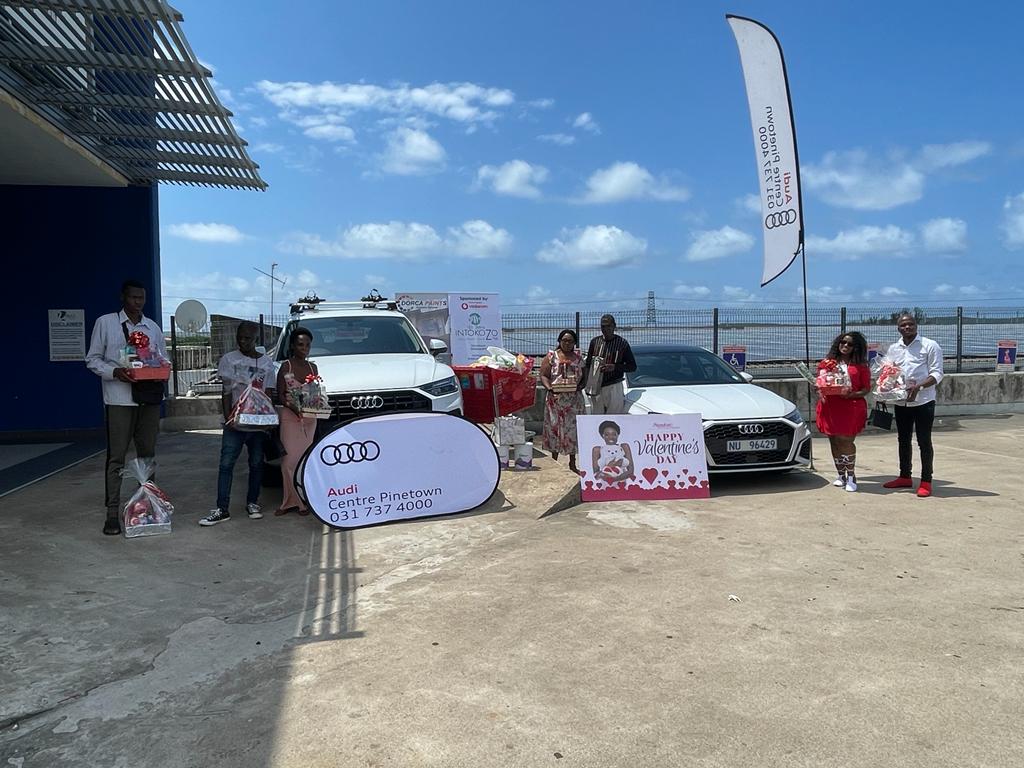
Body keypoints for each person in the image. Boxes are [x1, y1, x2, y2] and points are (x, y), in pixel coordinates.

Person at [85, 279, 167, 535]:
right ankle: (112, 512)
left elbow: (163, 359)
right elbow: (92, 359)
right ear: (123, 297)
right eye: (133, 297)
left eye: (141, 298)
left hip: (148, 400)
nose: (138, 302)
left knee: (147, 454)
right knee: (117, 457)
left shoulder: (152, 327)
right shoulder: (106, 323)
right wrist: (115, 372)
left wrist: (157, 369)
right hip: (119, 399)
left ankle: (148, 507)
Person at [199, 321, 277, 526]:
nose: (243, 342)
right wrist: (228, 418)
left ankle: (253, 502)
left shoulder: (266, 363)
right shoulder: (229, 359)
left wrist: (269, 419)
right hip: (235, 422)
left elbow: (268, 393)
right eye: (239, 338)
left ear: (256, 339)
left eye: (247, 338)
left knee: (256, 463)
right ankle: (222, 508)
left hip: (257, 422)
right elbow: (226, 392)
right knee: (226, 464)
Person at [882, 313, 944, 498]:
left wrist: (919, 387)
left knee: (924, 441)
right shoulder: (894, 348)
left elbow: (937, 373)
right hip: (901, 401)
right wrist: (884, 388)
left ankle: (926, 481)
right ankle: (905, 476)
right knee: (903, 440)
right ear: (898, 328)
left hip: (923, 401)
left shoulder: (930, 345)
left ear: (916, 325)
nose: (907, 327)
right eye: (903, 325)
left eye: (910, 324)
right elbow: (890, 373)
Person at [816, 332, 871, 492]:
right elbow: (820, 382)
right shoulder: (827, 363)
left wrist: (851, 395)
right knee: (834, 441)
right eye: (843, 342)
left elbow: (866, 389)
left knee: (845, 441)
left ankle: (851, 476)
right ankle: (841, 475)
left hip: (850, 407)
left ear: (856, 347)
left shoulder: (860, 366)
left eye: (850, 344)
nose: (845, 346)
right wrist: (818, 388)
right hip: (830, 407)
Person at [275, 326, 320, 516]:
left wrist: (316, 403)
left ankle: (304, 500)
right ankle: (289, 501)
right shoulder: (287, 366)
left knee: (306, 460)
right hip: (290, 417)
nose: (304, 348)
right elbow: (280, 394)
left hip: (309, 418)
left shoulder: (313, 367)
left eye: (308, 345)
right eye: (300, 344)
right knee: (288, 461)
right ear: (293, 346)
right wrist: (292, 407)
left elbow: (315, 393)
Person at [539, 329, 586, 473]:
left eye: (570, 341)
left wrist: (579, 386)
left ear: (574, 343)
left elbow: (585, 376)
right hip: (556, 400)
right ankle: (554, 463)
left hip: (573, 401)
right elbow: (544, 375)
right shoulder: (551, 357)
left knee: (572, 431)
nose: (567, 343)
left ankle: (572, 463)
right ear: (559, 341)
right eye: (564, 340)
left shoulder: (578, 358)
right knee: (555, 430)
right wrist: (550, 388)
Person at [582, 314, 637, 414]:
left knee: (614, 418)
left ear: (614, 326)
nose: (606, 329)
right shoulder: (595, 342)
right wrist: (587, 384)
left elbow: (632, 366)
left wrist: (615, 367)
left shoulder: (622, 343)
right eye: (603, 326)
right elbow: (588, 364)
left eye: (608, 326)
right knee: (597, 417)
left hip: (614, 386)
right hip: (596, 386)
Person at [592, 420, 635, 485]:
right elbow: (596, 476)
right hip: (605, 486)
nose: (610, 437)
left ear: (618, 435)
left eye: (614, 434)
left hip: (622, 485)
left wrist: (614, 479)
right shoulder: (597, 450)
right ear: (602, 436)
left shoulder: (624, 447)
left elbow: (631, 472)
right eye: (607, 435)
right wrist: (608, 467)